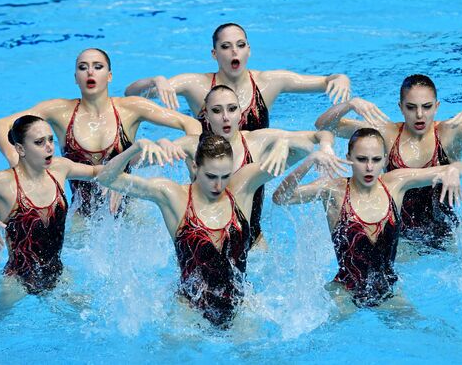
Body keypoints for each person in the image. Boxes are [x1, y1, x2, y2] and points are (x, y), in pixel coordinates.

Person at [97, 133, 330, 327]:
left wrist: (282, 143)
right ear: (195, 167)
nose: (219, 185)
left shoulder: (242, 187)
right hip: (189, 312)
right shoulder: (173, 196)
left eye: (225, 176)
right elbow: (106, 179)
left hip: (240, 308)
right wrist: (134, 148)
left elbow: (304, 149)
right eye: (210, 176)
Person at [0, 48, 202, 218]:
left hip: (129, 212)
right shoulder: (60, 111)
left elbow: (192, 124)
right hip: (82, 218)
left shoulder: (130, 109)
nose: (90, 72)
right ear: (76, 78)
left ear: (109, 76)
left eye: (97, 67)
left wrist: (189, 162)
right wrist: (18, 163)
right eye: (83, 68)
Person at [0, 115, 141, 312]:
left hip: (58, 274)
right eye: (39, 142)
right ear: (20, 149)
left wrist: (115, 177)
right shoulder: (1, 183)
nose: (49, 147)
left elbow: (97, 172)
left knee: (93, 313)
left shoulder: (58, 168)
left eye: (50, 140)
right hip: (17, 282)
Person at [273, 128, 462, 308]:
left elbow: (459, 166)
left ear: (384, 160)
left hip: (389, 289)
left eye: (375, 160)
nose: (369, 167)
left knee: (427, 330)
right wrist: (310, 160)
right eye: (361, 159)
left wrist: (452, 170)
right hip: (345, 293)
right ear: (348, 158)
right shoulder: (333, 190)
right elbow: (280, 198)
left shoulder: (395, 183)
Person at [315, 74, 462, 247]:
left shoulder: (449, 132)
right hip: (403, 240)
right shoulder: (387, 134)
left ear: (437, 106)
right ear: (401, 107)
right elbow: (324, 125)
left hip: (448, 234)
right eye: (411, 107)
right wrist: (349, 104)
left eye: (426, 107)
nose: (419, 115)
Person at [165, 85, 341, 246]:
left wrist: (288, 142)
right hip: (204, 245)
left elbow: (321, 135)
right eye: (217, 111)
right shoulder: (192, 146)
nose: (226, 117)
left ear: (240, 112)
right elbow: (154, 155)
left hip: (253, 247)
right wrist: (159, 145)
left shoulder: (257, 142)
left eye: (232, 109)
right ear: (206, 115)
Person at [125, 23, 351, 131]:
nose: (234, 51)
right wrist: (156, 80)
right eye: (226, 46)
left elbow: (325, 81)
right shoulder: (196, 85)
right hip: (209, 183)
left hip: (251, 182)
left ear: (249, 50)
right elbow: (131, 94)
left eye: (240, 45)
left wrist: (340, 77)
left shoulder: (268, 82)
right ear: (214, 54)